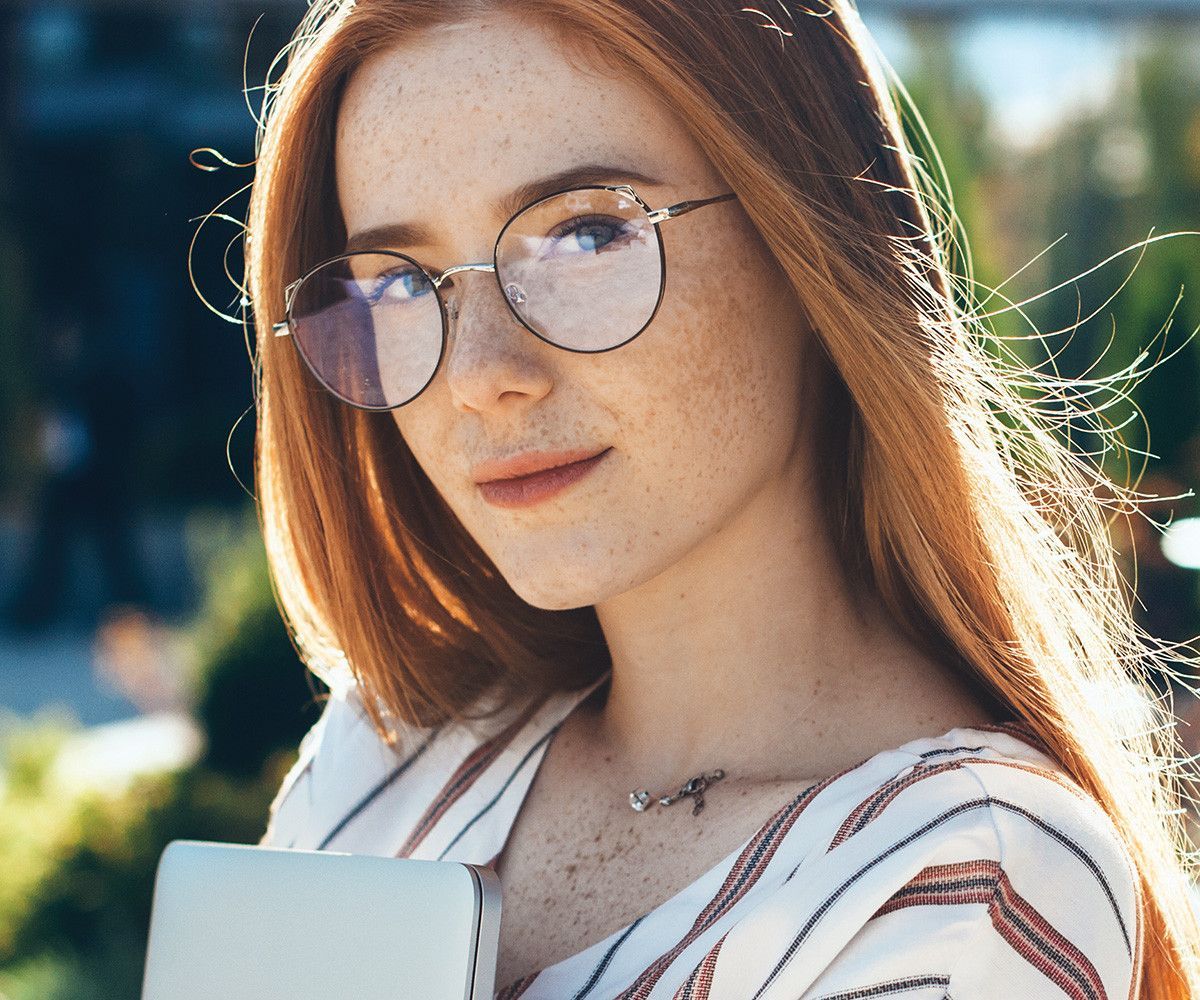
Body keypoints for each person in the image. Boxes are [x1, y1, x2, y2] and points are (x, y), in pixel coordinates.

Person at [240, 1, 1200, 996]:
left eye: (584, 234)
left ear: (809, 237)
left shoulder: (966, 885)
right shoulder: (391, 749)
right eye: (397, 285)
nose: (480, 374)